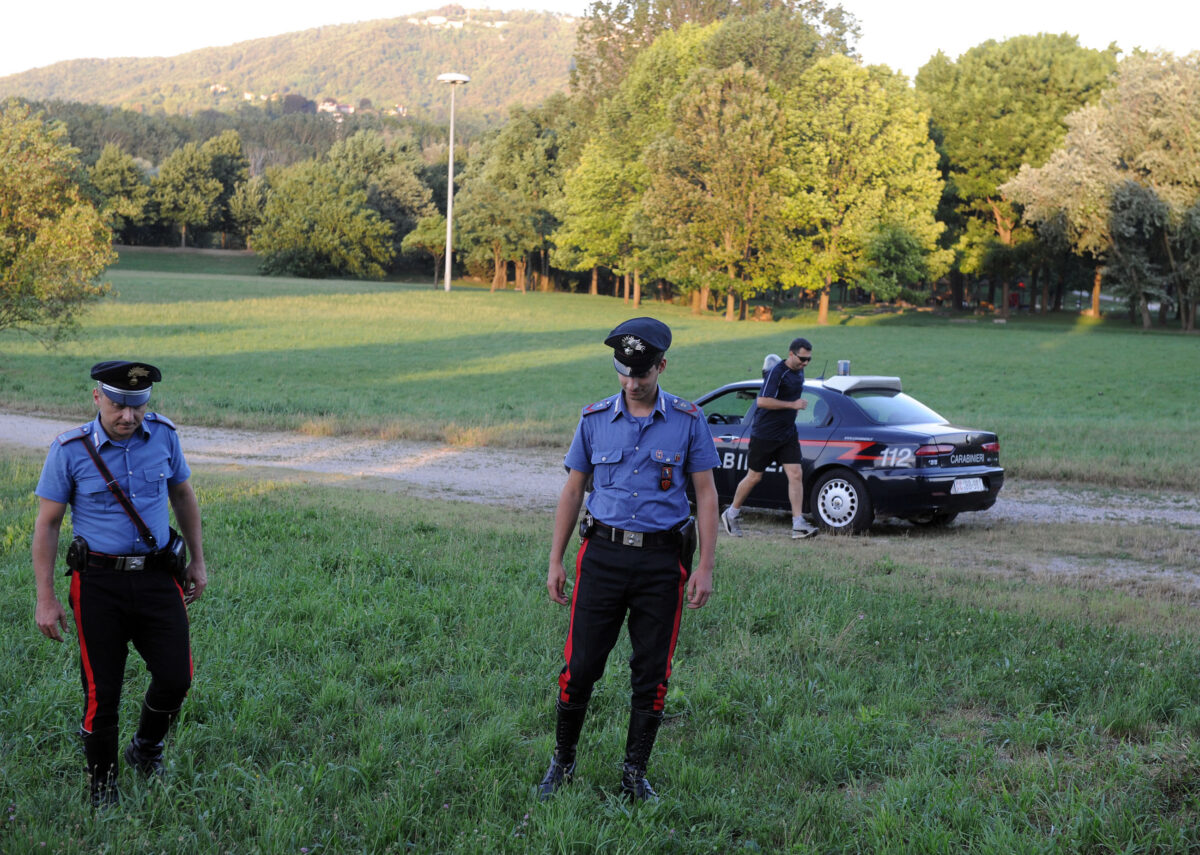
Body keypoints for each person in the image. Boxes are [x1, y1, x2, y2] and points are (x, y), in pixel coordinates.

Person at [539, 317, 719, 803]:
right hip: (602, 558)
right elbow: (574, 488)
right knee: (580, 667)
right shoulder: (594, 419)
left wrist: (705, 566)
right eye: (624, 372)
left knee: (652, 673)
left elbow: (705, 494)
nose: (632, 383)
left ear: (661, 366)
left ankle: (633, 774)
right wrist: (556, 560)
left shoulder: (688, 420)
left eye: (642, 373)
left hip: (662, 563)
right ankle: (563, 762)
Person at [33, 361, 208, 808]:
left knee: (176, 677)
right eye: (117, 405)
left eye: (137, 405)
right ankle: (103, 788)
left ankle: (146, 748)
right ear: (97, 398)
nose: (128, 416)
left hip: (157, 576)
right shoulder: (69, 449)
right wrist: (46, 598)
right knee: (102, 691)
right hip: (97, 585)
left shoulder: (165, 435)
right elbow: (48, 524)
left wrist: (199, 561)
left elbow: (183, 495)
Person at [721, 337, 819, 539]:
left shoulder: (799, 370)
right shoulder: (777, 373)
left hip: (787, 433)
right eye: (802, 358)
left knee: (795, 474)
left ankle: (798, 523)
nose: (805, 363)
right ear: (791, 354)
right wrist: (792, 406)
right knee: (754, 476)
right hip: (765, 434)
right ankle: (731, 514)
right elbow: (763, 401)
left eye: (809, 359)